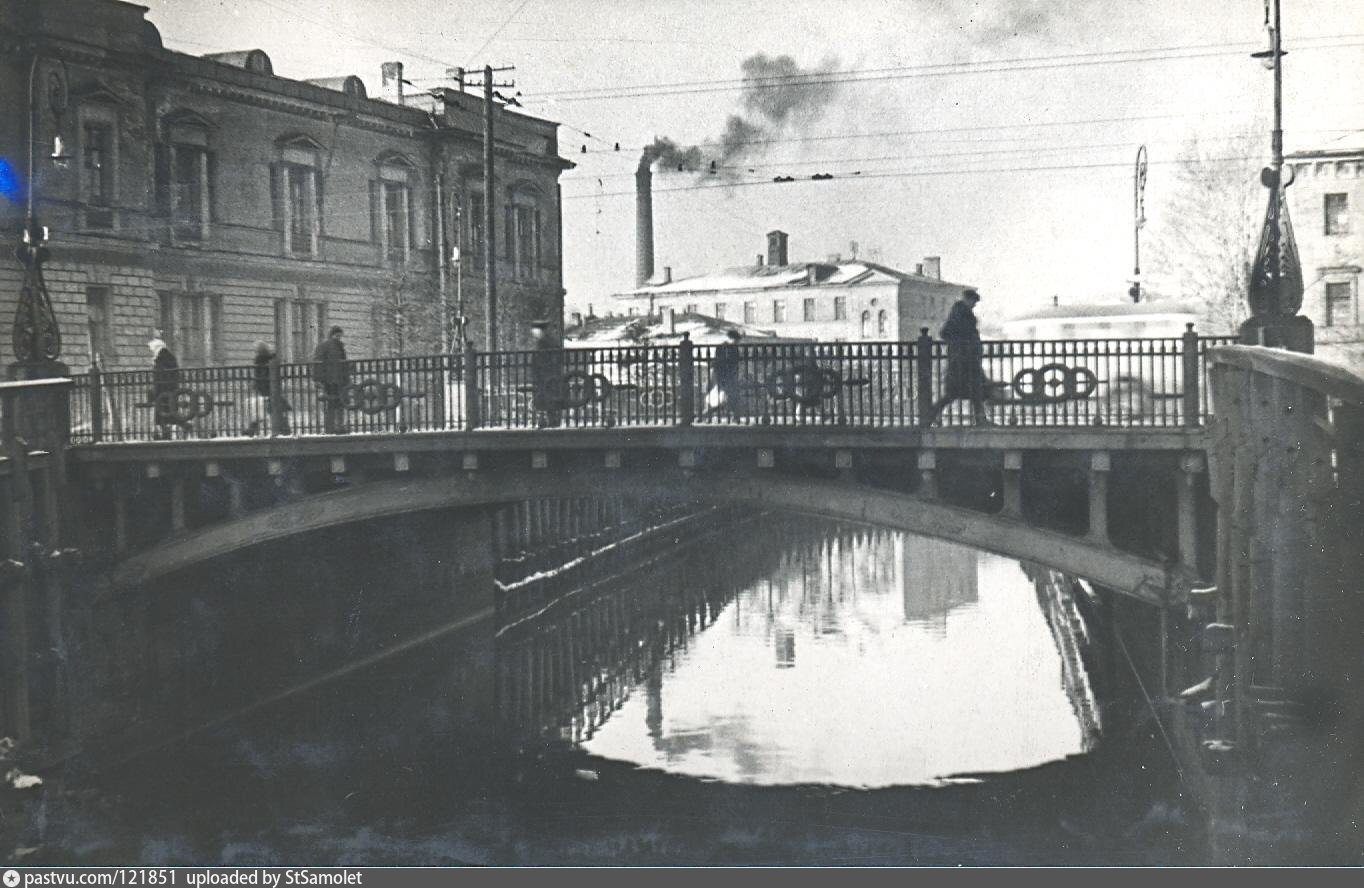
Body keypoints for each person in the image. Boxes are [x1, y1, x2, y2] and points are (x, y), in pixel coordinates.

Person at [929, 289, 991, 426]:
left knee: (972, 391)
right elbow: (946, 333)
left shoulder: (961, 312)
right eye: (973, 302)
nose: (974, 305)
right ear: (968, 299)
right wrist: (963, 344)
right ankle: (980, 419)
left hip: (965, 359)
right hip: (963, 360)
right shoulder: (960, 313)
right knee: (963, 391)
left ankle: (981, 419)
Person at [246, 341, 291, 436]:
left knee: (262, 409)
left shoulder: (259, 361)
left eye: (256, 350)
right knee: (273, 409)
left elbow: (259, 375)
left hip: (266, 388)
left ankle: (252, 429)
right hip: (271, 387)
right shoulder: (271, 359)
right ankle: (285, 429)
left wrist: (256, 384)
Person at [311, 326, 350, 434]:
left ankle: (336, 427)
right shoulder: (329, 346)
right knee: (335, 403)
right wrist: (318, 379)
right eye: (337, 335)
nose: (339, 337)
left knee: (336, 403)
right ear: (333, 335)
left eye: (340, 336)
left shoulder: (337, 346)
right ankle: (334, 427)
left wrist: (317, 378)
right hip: (332, 380)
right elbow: (318, 363)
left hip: (335, 380)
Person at [147, 335, 184, 439]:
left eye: (152, 349)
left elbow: (160, 374)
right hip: (168, 390)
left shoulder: (162, 357)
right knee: (168, 413)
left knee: (164, 413)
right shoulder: (168, 356)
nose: (152, 352)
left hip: (163, 391)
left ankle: (166, 434)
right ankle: (166, 433)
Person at [703, 329, 743, 420]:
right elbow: (722, 361)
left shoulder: (728, 347)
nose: (737, 342)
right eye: (736, 340)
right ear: (731, 338)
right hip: (723, 374)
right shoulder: (725, 347)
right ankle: (707, 412)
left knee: (727, 396)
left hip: (726, 374)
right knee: (723, 395)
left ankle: (733, 415)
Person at [529, 320, 562, 428]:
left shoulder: (544, 342)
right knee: (547, 397)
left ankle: (547, 420)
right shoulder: (549, 341)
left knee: (546, 397)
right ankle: (549, 419)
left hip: (545, 375)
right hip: (547, 374)